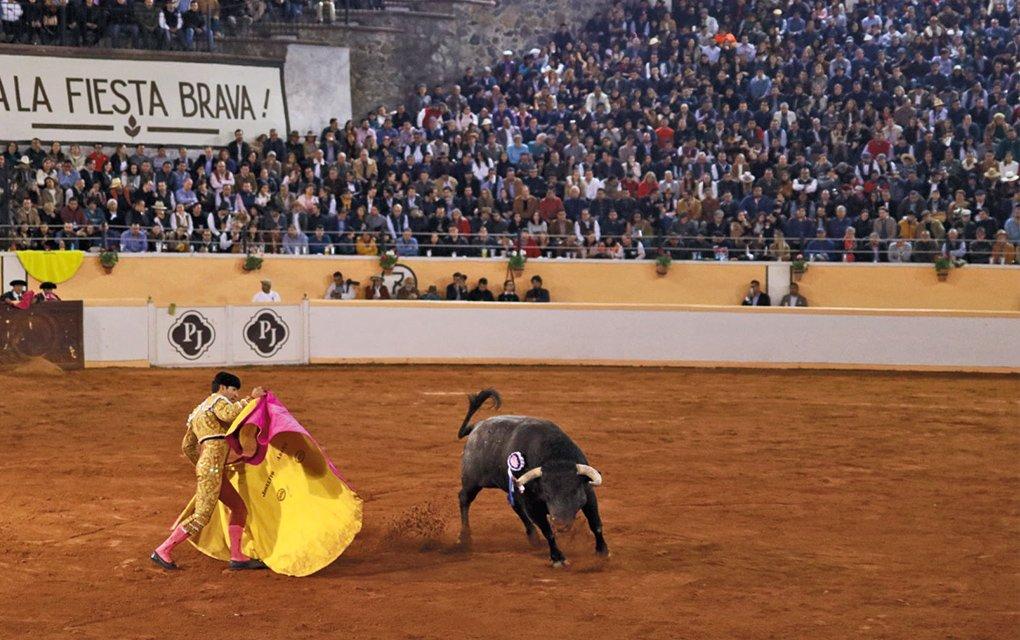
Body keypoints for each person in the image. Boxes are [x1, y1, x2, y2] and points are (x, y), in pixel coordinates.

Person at [151, 372, 267, 571]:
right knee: (201, 516)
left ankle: (238, 557)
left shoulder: (198, 411)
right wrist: (252, 398)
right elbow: (229, 414)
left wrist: (203, 465)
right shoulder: (217, 401)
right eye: (233, 390)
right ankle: (163, 550)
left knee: (239, 508)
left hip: (212, 469)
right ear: (222, 388)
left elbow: (187, 446)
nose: (236, 395)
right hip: (212, 469)